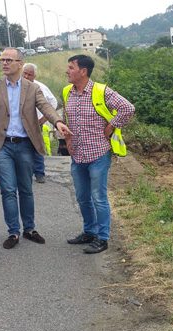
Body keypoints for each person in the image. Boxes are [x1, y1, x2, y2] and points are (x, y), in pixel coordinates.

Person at [0, 48, 72, 249]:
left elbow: (45, 106)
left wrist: (57, 122)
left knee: (26, 189)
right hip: (2, 146)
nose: (4, 63)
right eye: (2, 60)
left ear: (20, 63)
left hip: (25, 146)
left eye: (9, 60)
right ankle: (13, 232)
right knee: (8, 190)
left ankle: (29, 228)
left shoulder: (32, 88)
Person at [63, 55, 134, 254]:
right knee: (83, 196)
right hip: (77, 155)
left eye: (71, 67)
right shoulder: (68, 92)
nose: (67, 71)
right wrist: (67, 139)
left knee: (98, 197)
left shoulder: (101, 91)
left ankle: (102, 238)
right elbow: (66, 118)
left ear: (83, 71)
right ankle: (89, 232)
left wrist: (112, 125)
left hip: (99, 153)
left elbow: (128, 108)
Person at [22, 63, 58, 184]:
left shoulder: (39, 87)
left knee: (37, 146)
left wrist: (43, 119)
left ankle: (39, 173)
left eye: (29, 74)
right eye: (24, 73)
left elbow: (53, 103)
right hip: (20, 122)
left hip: (36, 122)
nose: (26, 76)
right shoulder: (16, 85)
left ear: (34, 75)